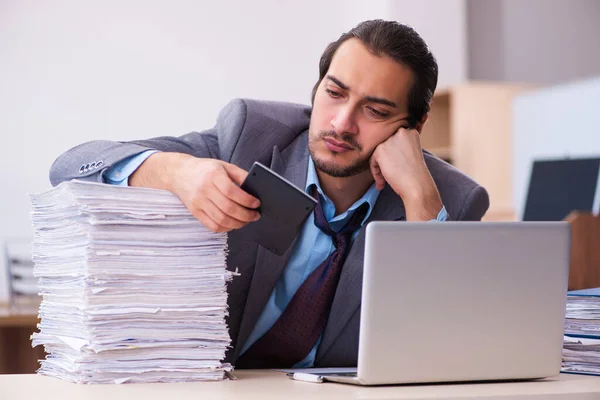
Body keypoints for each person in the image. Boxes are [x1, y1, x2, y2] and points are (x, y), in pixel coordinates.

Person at [49, 20, 489, 368]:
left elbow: (447, 348)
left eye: (375, 110)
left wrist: (419, 198)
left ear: (415, 124)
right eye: (334, 94)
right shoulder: (250, 135)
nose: (341, 123)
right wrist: (173, 170)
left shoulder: (451, 198)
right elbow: (71, 166)